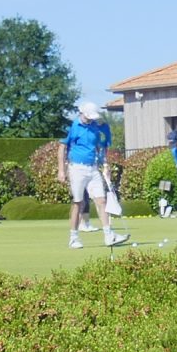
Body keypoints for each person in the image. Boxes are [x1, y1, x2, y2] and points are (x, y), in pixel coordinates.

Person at [60, 101, 129, 248]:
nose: (91, 119)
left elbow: (100, 147)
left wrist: (105, 165)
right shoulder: (73, 127)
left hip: (93, 168)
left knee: (101, 200)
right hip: (76, 168)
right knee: (79, 203)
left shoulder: (95, 127)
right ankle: (74, 238)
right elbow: (62, 147)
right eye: (89, 116)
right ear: (82, 113)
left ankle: (109, 235)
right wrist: (61, 170)